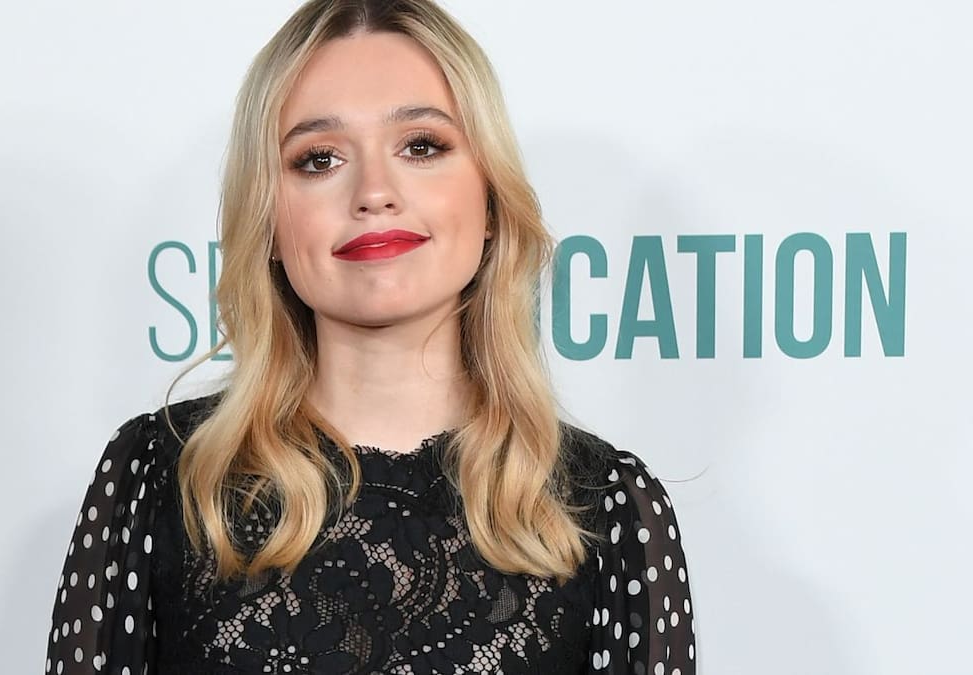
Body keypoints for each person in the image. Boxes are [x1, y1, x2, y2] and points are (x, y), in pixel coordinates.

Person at [44, 0, 697, 673]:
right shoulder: (161, 480)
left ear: (491, 199)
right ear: (268, 221)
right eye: (319, 159)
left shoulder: (607, 509)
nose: (374, 192)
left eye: (422, 146)